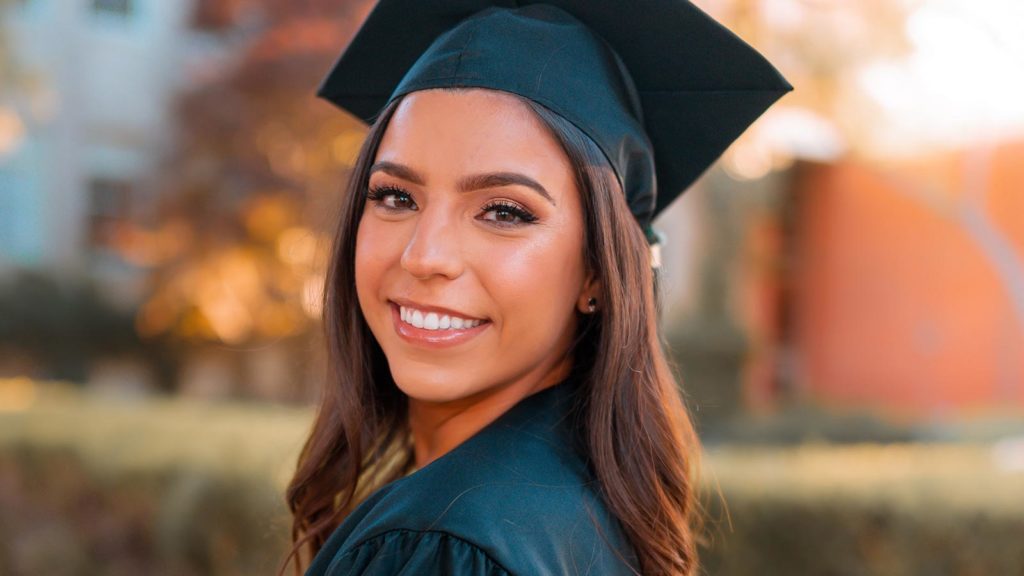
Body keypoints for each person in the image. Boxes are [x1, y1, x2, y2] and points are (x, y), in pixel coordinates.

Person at [282, 1, 790, 575]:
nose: (424, 256)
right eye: (396, 197)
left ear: (597, 270)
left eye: (503, 211)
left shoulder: (441, 546)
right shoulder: (589, 509)